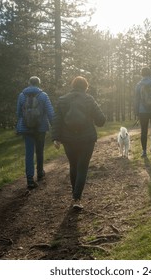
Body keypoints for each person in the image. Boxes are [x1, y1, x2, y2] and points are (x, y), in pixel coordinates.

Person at [52, 76, 106, 210]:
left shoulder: (62, 100)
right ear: (85, 86)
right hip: (87, 139)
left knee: (73, 166)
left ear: (73, 85)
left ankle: (75, 196)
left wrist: (56, 138)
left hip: (68, 140)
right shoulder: (89, 99)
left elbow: (57, 121)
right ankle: (77, 198)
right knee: (83, 167)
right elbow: (101, 120)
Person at [16, 76, 55, 189]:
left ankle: (29, 180)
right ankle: (40, 174)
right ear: (39, 84)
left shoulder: (22, 95)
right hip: (40, 128)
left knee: (29, 153)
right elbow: (50, 112)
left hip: (26, 128)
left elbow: (18, 113)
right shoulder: (43, 95)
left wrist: (21, 124)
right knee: (39, 151)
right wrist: (55, 127)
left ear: (29, 83)